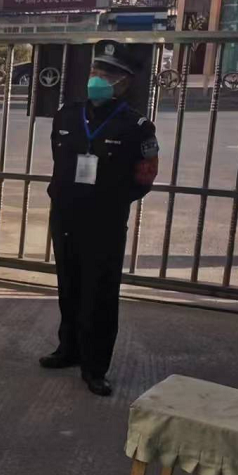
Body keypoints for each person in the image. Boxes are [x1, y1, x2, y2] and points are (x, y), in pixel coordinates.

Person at [40, 40, 159, 397]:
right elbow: (58, 160)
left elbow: (145, 176)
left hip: (104, 222)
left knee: (100, 293)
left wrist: (110, 202)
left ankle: (95, 367)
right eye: (96, 70)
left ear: (124, 81)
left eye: (108, 73)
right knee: (69, 285)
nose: (98, 78)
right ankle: (69, 349)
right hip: (65, 216)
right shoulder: (67, 114)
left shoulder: (136, 126)